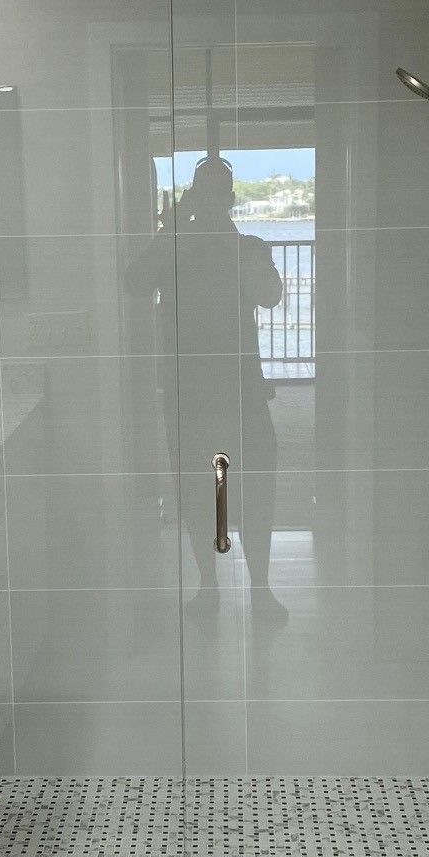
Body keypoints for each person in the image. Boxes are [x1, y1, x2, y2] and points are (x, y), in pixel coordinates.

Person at [131, 156, 288, 624]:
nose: (213, 202)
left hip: (242, 390)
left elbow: (271, 294)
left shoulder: (249, 245)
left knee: (258, 490)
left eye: (221, 194)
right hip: (191, 393)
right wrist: (172, 230)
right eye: (205, 193)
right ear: (194, 198)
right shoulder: (176, 247)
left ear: (232, 199)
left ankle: (260, 588)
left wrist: (228, 242)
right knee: (197, 496)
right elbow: (134, 282)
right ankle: (208, 587)